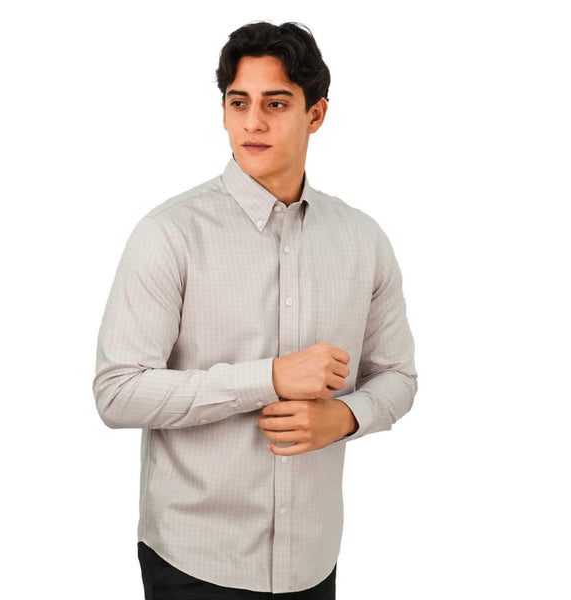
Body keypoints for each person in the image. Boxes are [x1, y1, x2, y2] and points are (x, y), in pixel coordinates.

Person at [92, 20, 418, 600]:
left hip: (312, 560)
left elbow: (397, 376)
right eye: (238, 102)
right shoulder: (169, 234)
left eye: (276, 103)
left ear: (316, 114)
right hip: (194, 562)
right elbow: (117, 393)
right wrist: (267, 379)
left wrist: (345, 418)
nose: (252, 122)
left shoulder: (363, 239)